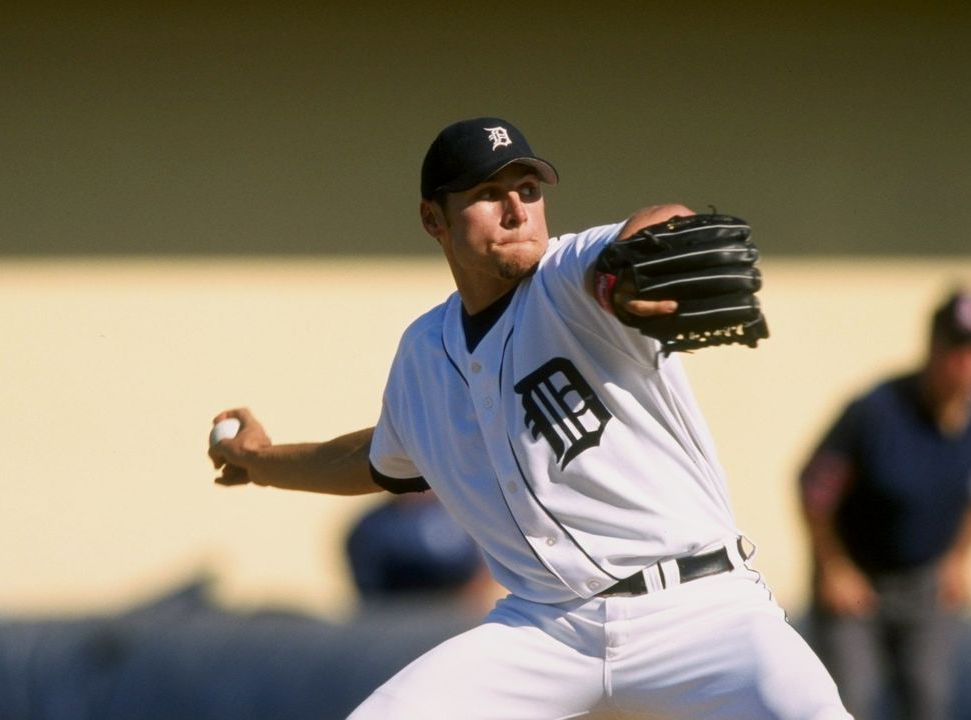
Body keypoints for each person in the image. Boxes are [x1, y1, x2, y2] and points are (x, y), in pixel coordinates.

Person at [209, 117, 851, 720]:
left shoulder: (574, 279)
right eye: (490, 193)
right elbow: (379, 457)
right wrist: (259, 461)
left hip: (702, 611)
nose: (519, 209)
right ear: (434, 218)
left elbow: (656, 223)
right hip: (546, 630)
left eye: (528, 188)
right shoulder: (423, 354)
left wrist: (640, 258)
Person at [796, 288, 971, 720]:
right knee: (845, 703)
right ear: (933, 349)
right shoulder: (877, 412)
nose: (966, 363)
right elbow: (813, 488)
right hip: (859, 583)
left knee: (927, 699)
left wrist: (960, 557)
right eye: (956, 350)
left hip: (925, 582)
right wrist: (834, 568)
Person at [345, 492, 502, 615]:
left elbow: (484, 566)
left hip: (458, 615)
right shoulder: (374, 526)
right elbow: (372, 588)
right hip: (398, 621)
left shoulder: (462, 515)